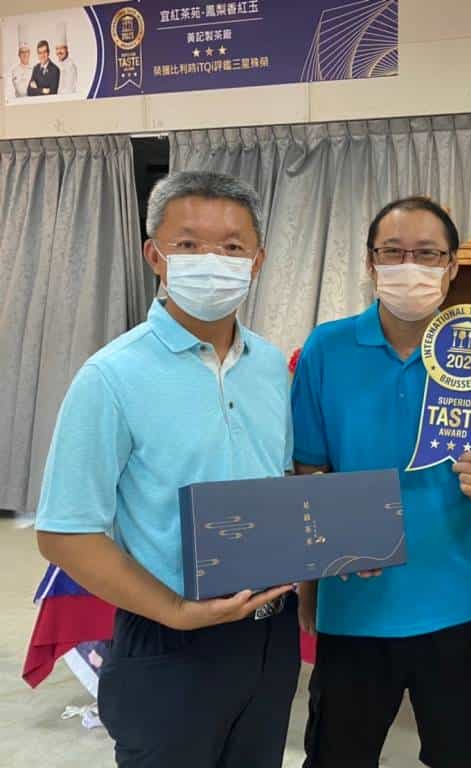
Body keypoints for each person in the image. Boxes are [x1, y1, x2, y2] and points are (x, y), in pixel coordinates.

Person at [35, 171, 300, 768]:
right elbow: (64, 532)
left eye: (232, 247)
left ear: (257, 262)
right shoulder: (111, 377)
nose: (213, 261)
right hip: (167, 640)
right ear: (155, 255)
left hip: (269, 634)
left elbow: (282, 486)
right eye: (189, 244)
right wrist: (176, 612)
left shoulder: (270, 368)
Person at [292, 196, 471, 768]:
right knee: (338, 756)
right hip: (354, 605)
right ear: (370, 262)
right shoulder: (326, 349)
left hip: (454, 601)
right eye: (393, 252)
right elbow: (307, 470)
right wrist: (311, 586)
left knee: (463, 755)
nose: (409, 266)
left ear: (452, 266)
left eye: (427, 254)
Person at [54, 22, 78, 94]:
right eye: (57, 49)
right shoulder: (56, 65)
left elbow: (69, 90)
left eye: (62, 48)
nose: (59, 51)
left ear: (66, 49)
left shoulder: (70, 66)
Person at [9, 28, 32, 98]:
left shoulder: (35, 69)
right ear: (19, 54)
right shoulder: (15, 70)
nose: (25, 54)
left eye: (27, 52)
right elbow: (21, 91)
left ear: (29, 53)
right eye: (22, 52)